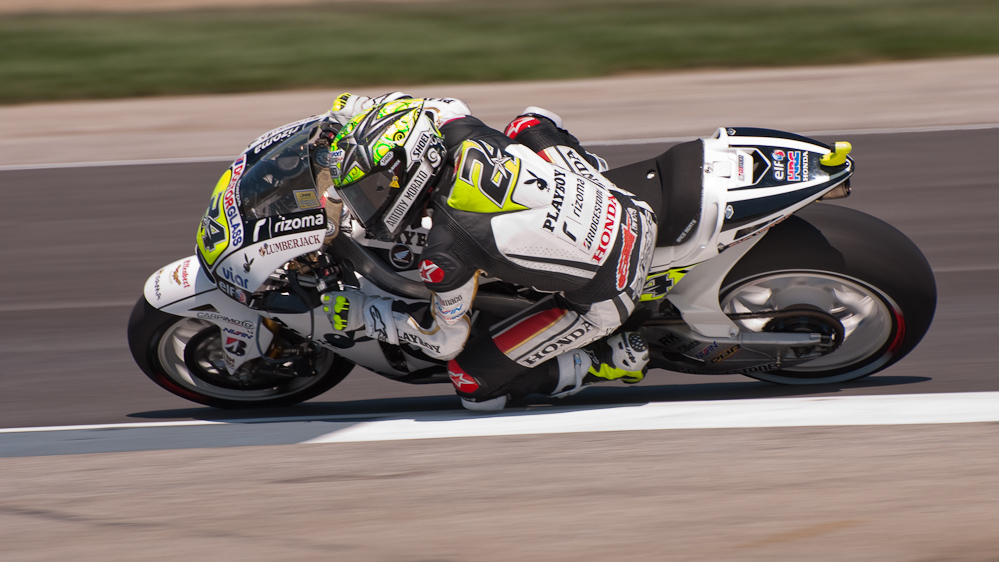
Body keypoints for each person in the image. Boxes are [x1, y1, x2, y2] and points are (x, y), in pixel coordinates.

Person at [320, 92, 656, 410]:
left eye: (374, 189)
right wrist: (355, 112)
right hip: (629, 207)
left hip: (612, 287)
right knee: (529, 123)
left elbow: (444, 341)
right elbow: (412, 106)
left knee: (471, 382)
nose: (365, 204)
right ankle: (587, 172)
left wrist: (365, 314)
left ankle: (604, 360)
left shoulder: (446, 250)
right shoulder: (456, 125)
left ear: (412, 170)